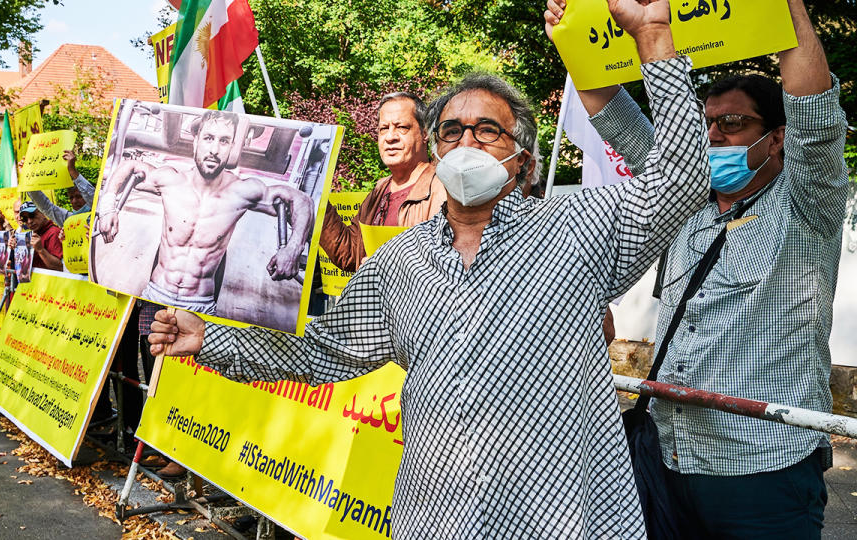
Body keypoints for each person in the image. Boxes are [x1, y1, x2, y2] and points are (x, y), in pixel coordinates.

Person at [149, 0, 709, 534]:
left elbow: (681, 178)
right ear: (436, 153)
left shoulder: (580, 226)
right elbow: (322, 352)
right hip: (435, 516)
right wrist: (210, 339)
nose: (467, 140)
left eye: (487, 130)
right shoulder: (400, 261)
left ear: (524, 160)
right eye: (451, 131)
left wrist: (653, 36)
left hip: (561, 518)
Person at [547, 0, 847, 536]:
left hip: (761, 472)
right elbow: (616, 116)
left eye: (732, 123)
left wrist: (787, 9)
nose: (712, 136)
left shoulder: (807, 204)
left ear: (777, 137)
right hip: (663, 456)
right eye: (707, 123)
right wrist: (571, 35)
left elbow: (815, 112)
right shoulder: (682, 197)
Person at [97, 109, 314, 315]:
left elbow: (302, 200)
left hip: (201, 305)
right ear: (196, 142)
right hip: (156, 293)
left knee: (192, 355)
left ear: (231, 148)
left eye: (224, 141)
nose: (214, 150)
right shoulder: (171, 180)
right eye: (209, 138)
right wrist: (107, 207)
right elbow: (130, 166)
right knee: (146, 348)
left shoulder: (241, 191)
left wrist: (293, 249)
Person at [319, 92, 446, 272]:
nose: (390, 137)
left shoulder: (443, 188)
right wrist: (317, 201)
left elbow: (452, 264)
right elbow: (350, 254)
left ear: (425, 133)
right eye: (383, 129)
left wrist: (390, 268)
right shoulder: (380, 190)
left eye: (401, 127)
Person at [28, 149, 95, 227]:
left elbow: (92, 196)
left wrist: (72, 171)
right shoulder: (69, 220)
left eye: (79, 196)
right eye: (71, 198)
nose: (74, 201)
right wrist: (28, 178)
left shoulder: (100, 215)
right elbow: (46, 207)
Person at [17, 201, 63, 271]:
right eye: (25, 219)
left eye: (32, 215)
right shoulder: (32, 235)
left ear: (43, 212)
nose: (29, 221)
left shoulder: (54, 232)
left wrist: (40, 250)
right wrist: (14, 250)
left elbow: (59, 267)